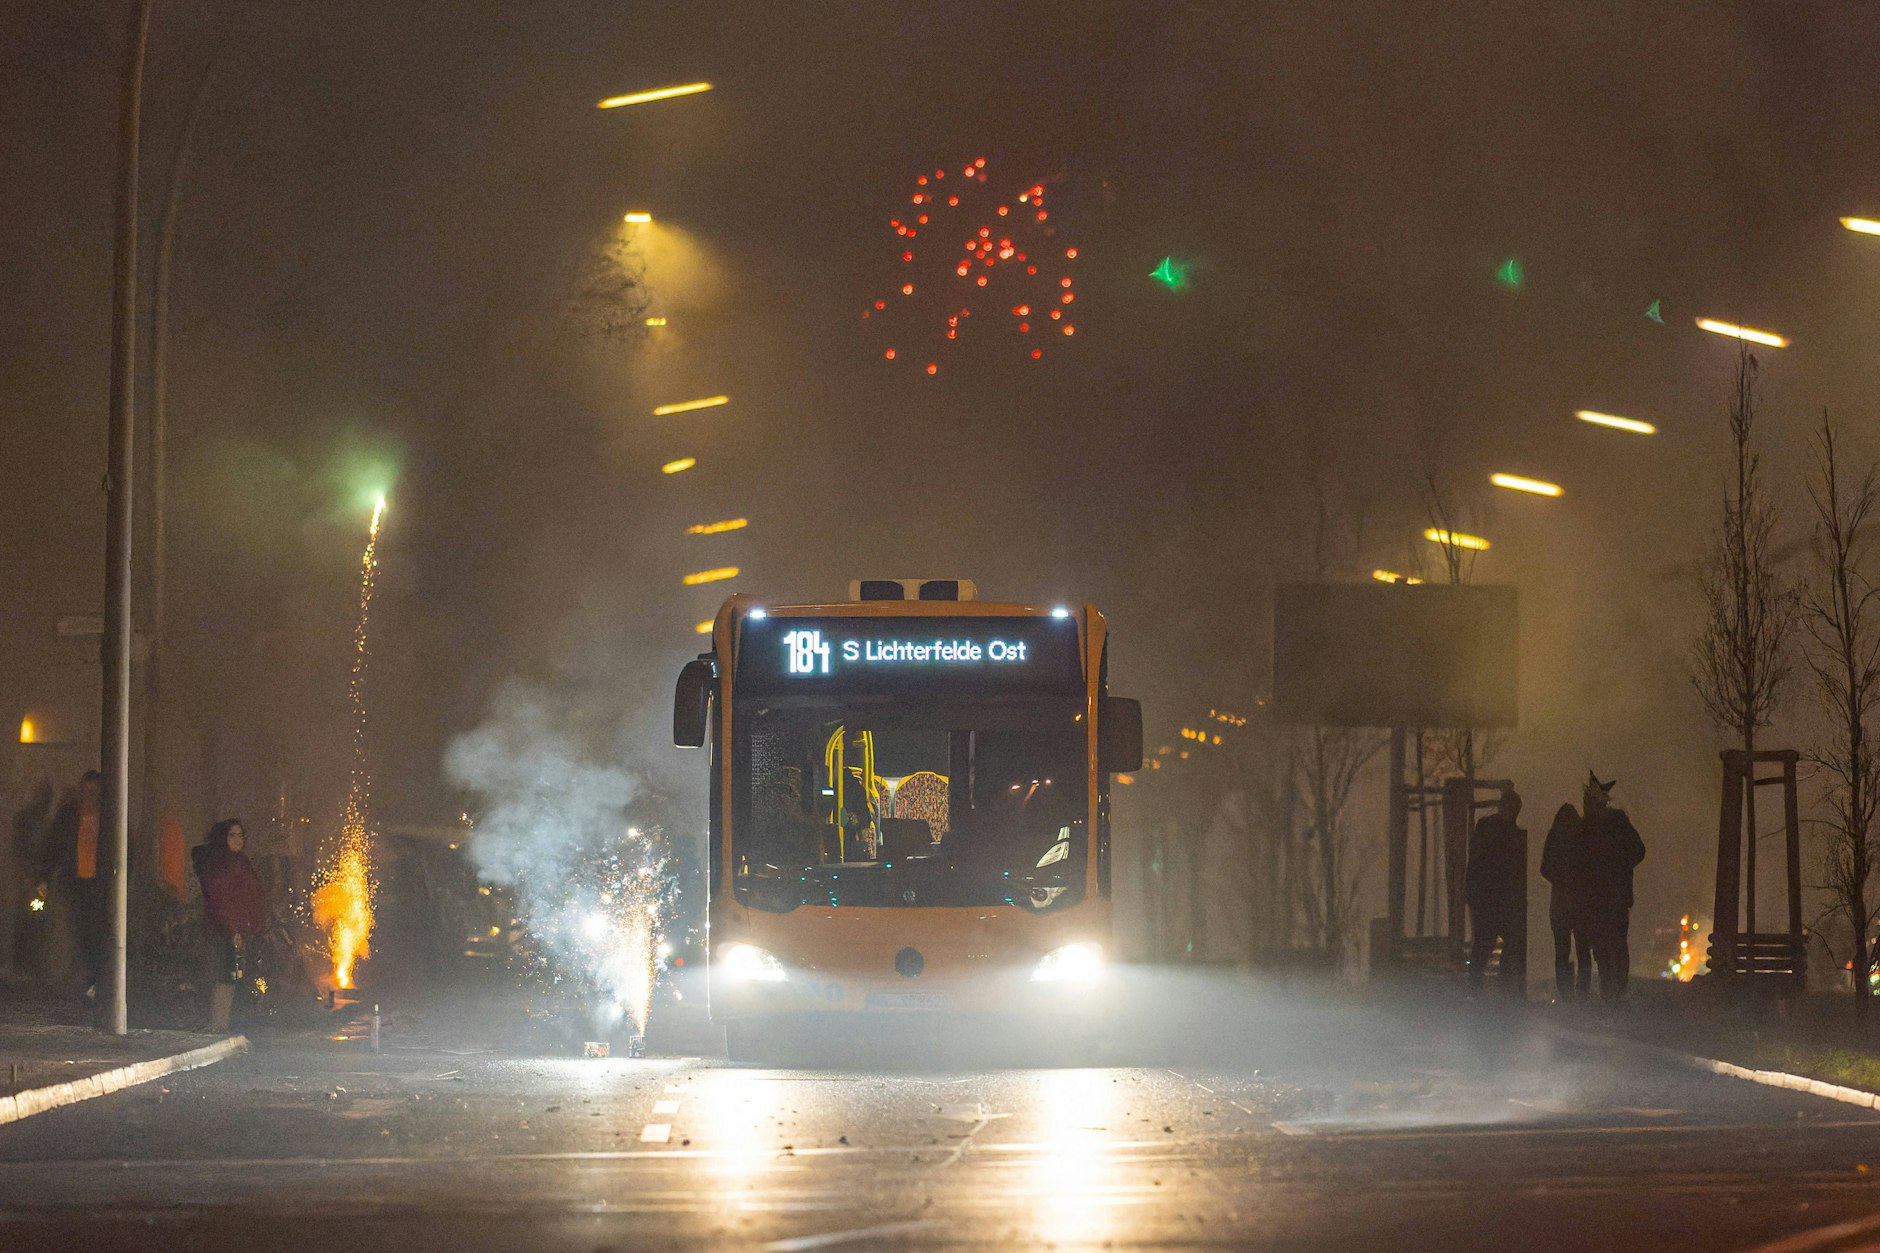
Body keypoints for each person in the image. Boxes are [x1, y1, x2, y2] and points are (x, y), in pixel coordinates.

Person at [192, 819, 266, 1033]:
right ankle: (217, 1023)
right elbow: (222, 899)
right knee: (224, 975)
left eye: (241, 835)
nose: (238, 840)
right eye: (232, 835)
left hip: (237, 929)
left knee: (231, 976)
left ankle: (221, 1024)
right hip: (223, 929)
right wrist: (231, 929)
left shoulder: (239, 862)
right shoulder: (221, 865)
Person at [1580, 772, 1645, 1004]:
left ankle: (1612, 990)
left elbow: (1580, 863)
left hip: (1599, 898)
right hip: (1614, 896)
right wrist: (1622, 868)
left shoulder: (1588, 827)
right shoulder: (1616, 822)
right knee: (1614, 944)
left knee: (1605, 945)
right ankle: (1615, 991)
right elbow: (1638, 851)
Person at [43, 771, 107, 1003]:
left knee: (96, 934)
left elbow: (124, 851)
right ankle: (80, 979)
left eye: (94, 792)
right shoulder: (68, 816)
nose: (90, 796)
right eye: (87, 791)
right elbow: (52, 846)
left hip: (98, 886)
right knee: (77, 932)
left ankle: (94, 982)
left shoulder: (109, 817)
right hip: (74, 882)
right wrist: (44, 877)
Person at [1465, 786, 1526, 996]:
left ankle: (1476, 985)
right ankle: (1501, 985)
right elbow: (1511, 869)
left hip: (1483, 895)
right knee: (1506, 939)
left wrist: (1471, 892)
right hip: (1499, 897)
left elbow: (1475, 864)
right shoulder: (1511, 834)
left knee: (1484, 940)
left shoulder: (1484, 828)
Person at [1540, 800, 1592, 1002]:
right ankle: (1582, 991)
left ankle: (1565, 991)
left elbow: (1544, 868)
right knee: (1583, 949)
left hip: (1560, 903)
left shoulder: (1554, 837)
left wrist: (1559, 880)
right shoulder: (1582, 839)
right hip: (1580, 903)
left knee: (1562, 951)